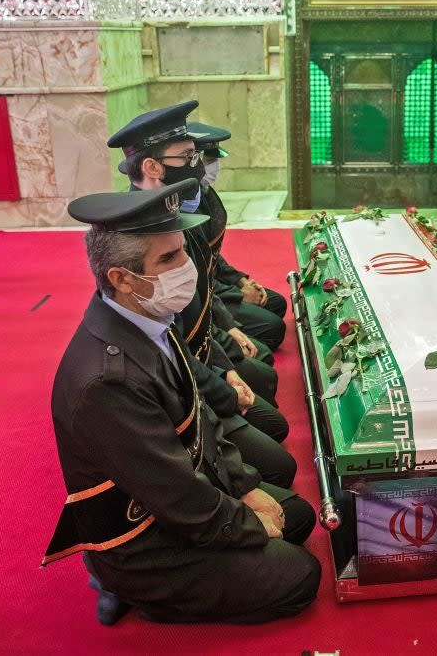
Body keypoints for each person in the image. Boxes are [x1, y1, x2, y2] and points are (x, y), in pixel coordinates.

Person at [42, 182, 320, 625]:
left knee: (298, 517)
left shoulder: (145, 314)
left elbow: (201, 416)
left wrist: (244, 485)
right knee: (302, 575)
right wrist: (246, 526)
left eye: (182, 252)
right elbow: (174, 495)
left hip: (179, 488)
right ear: (122, 278)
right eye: (169, 258)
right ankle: (141, 594)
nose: (187, 266)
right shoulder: (106, 381)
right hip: (143, 539)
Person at [108, 103, 287, 444]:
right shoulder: (137, 235)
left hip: (202, 346)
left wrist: (227, 355)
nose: (200, 165)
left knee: (267, 392)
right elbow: (166, 342)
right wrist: (222, 382)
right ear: (151, 166)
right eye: (189, 157)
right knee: (275, 437)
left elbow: (205, 275)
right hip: (183, 374)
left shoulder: (179, 213)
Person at [188, 121, 288, 352]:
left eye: (216, 161)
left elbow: (211, 255)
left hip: (217, 283)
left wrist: (241, 281)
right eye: (209, 161)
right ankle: (229, 340)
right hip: (203, 295)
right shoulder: (184, 204)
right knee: (273, 329)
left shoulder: (203, 192)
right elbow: (197, 278)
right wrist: (237, 293)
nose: (215, 168)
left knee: (276, 304)